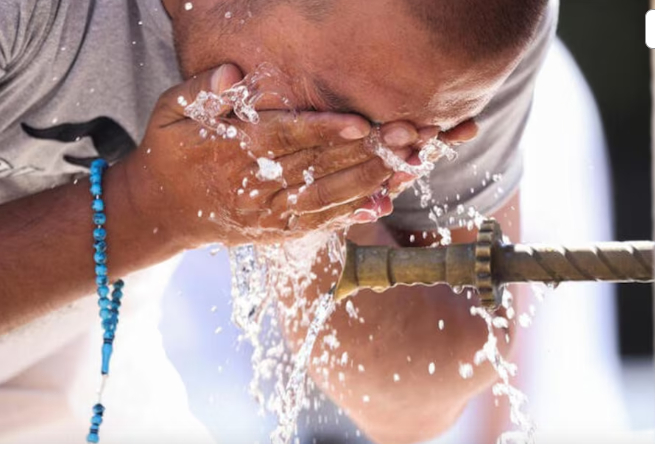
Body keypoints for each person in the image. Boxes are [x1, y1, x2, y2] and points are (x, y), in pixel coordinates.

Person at [0, 0, 557, 443]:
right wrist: (149, 209)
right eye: (331, 108)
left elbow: (417, 405)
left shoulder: (474, 33)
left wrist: (319, 217)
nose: (380, 162)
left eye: (416, 143)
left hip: (71, 381)